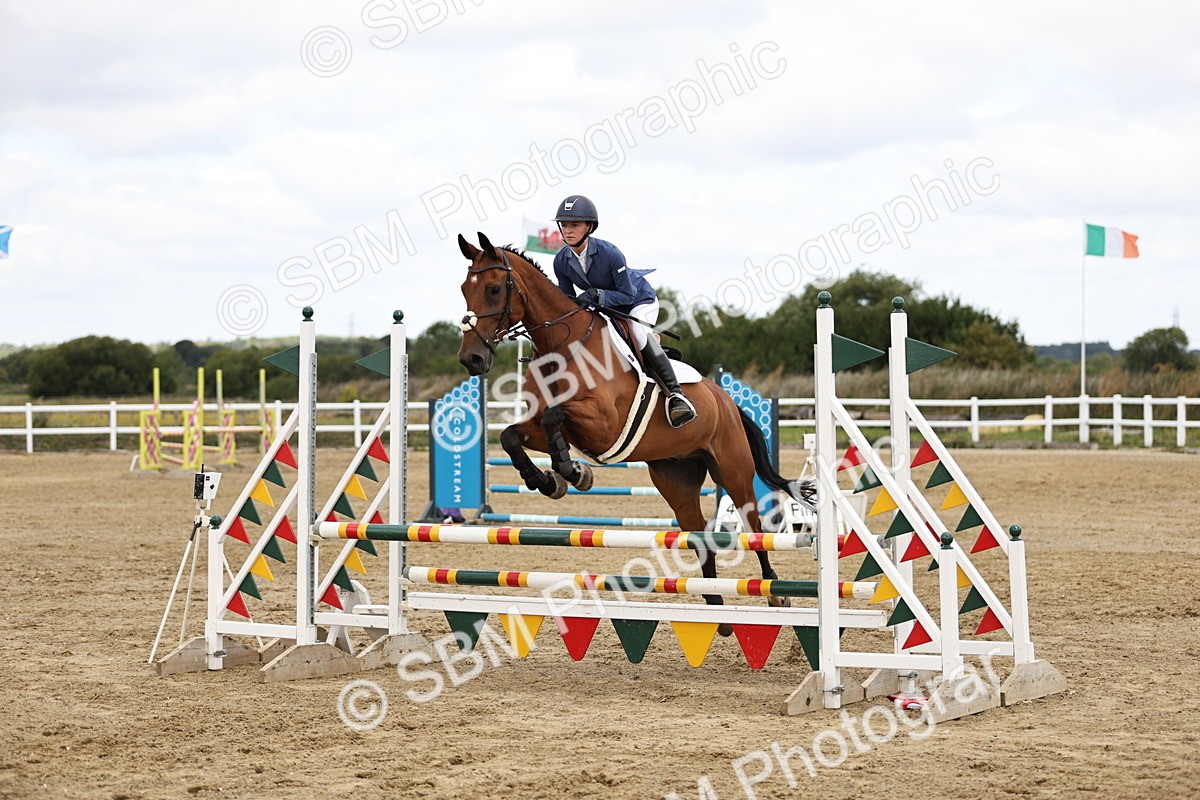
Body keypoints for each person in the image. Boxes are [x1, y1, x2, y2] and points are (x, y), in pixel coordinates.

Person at [551, 195, 696, 428]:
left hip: (638, 300)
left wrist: (597, 295)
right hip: (606, 307)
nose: (568, 231)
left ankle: (676, 395)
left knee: (638, 334)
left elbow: (627, 295)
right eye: (564, 225)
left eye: (574, 225)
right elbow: (568, 301)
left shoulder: (610, 254)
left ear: (590, 227)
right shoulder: (561, 260)